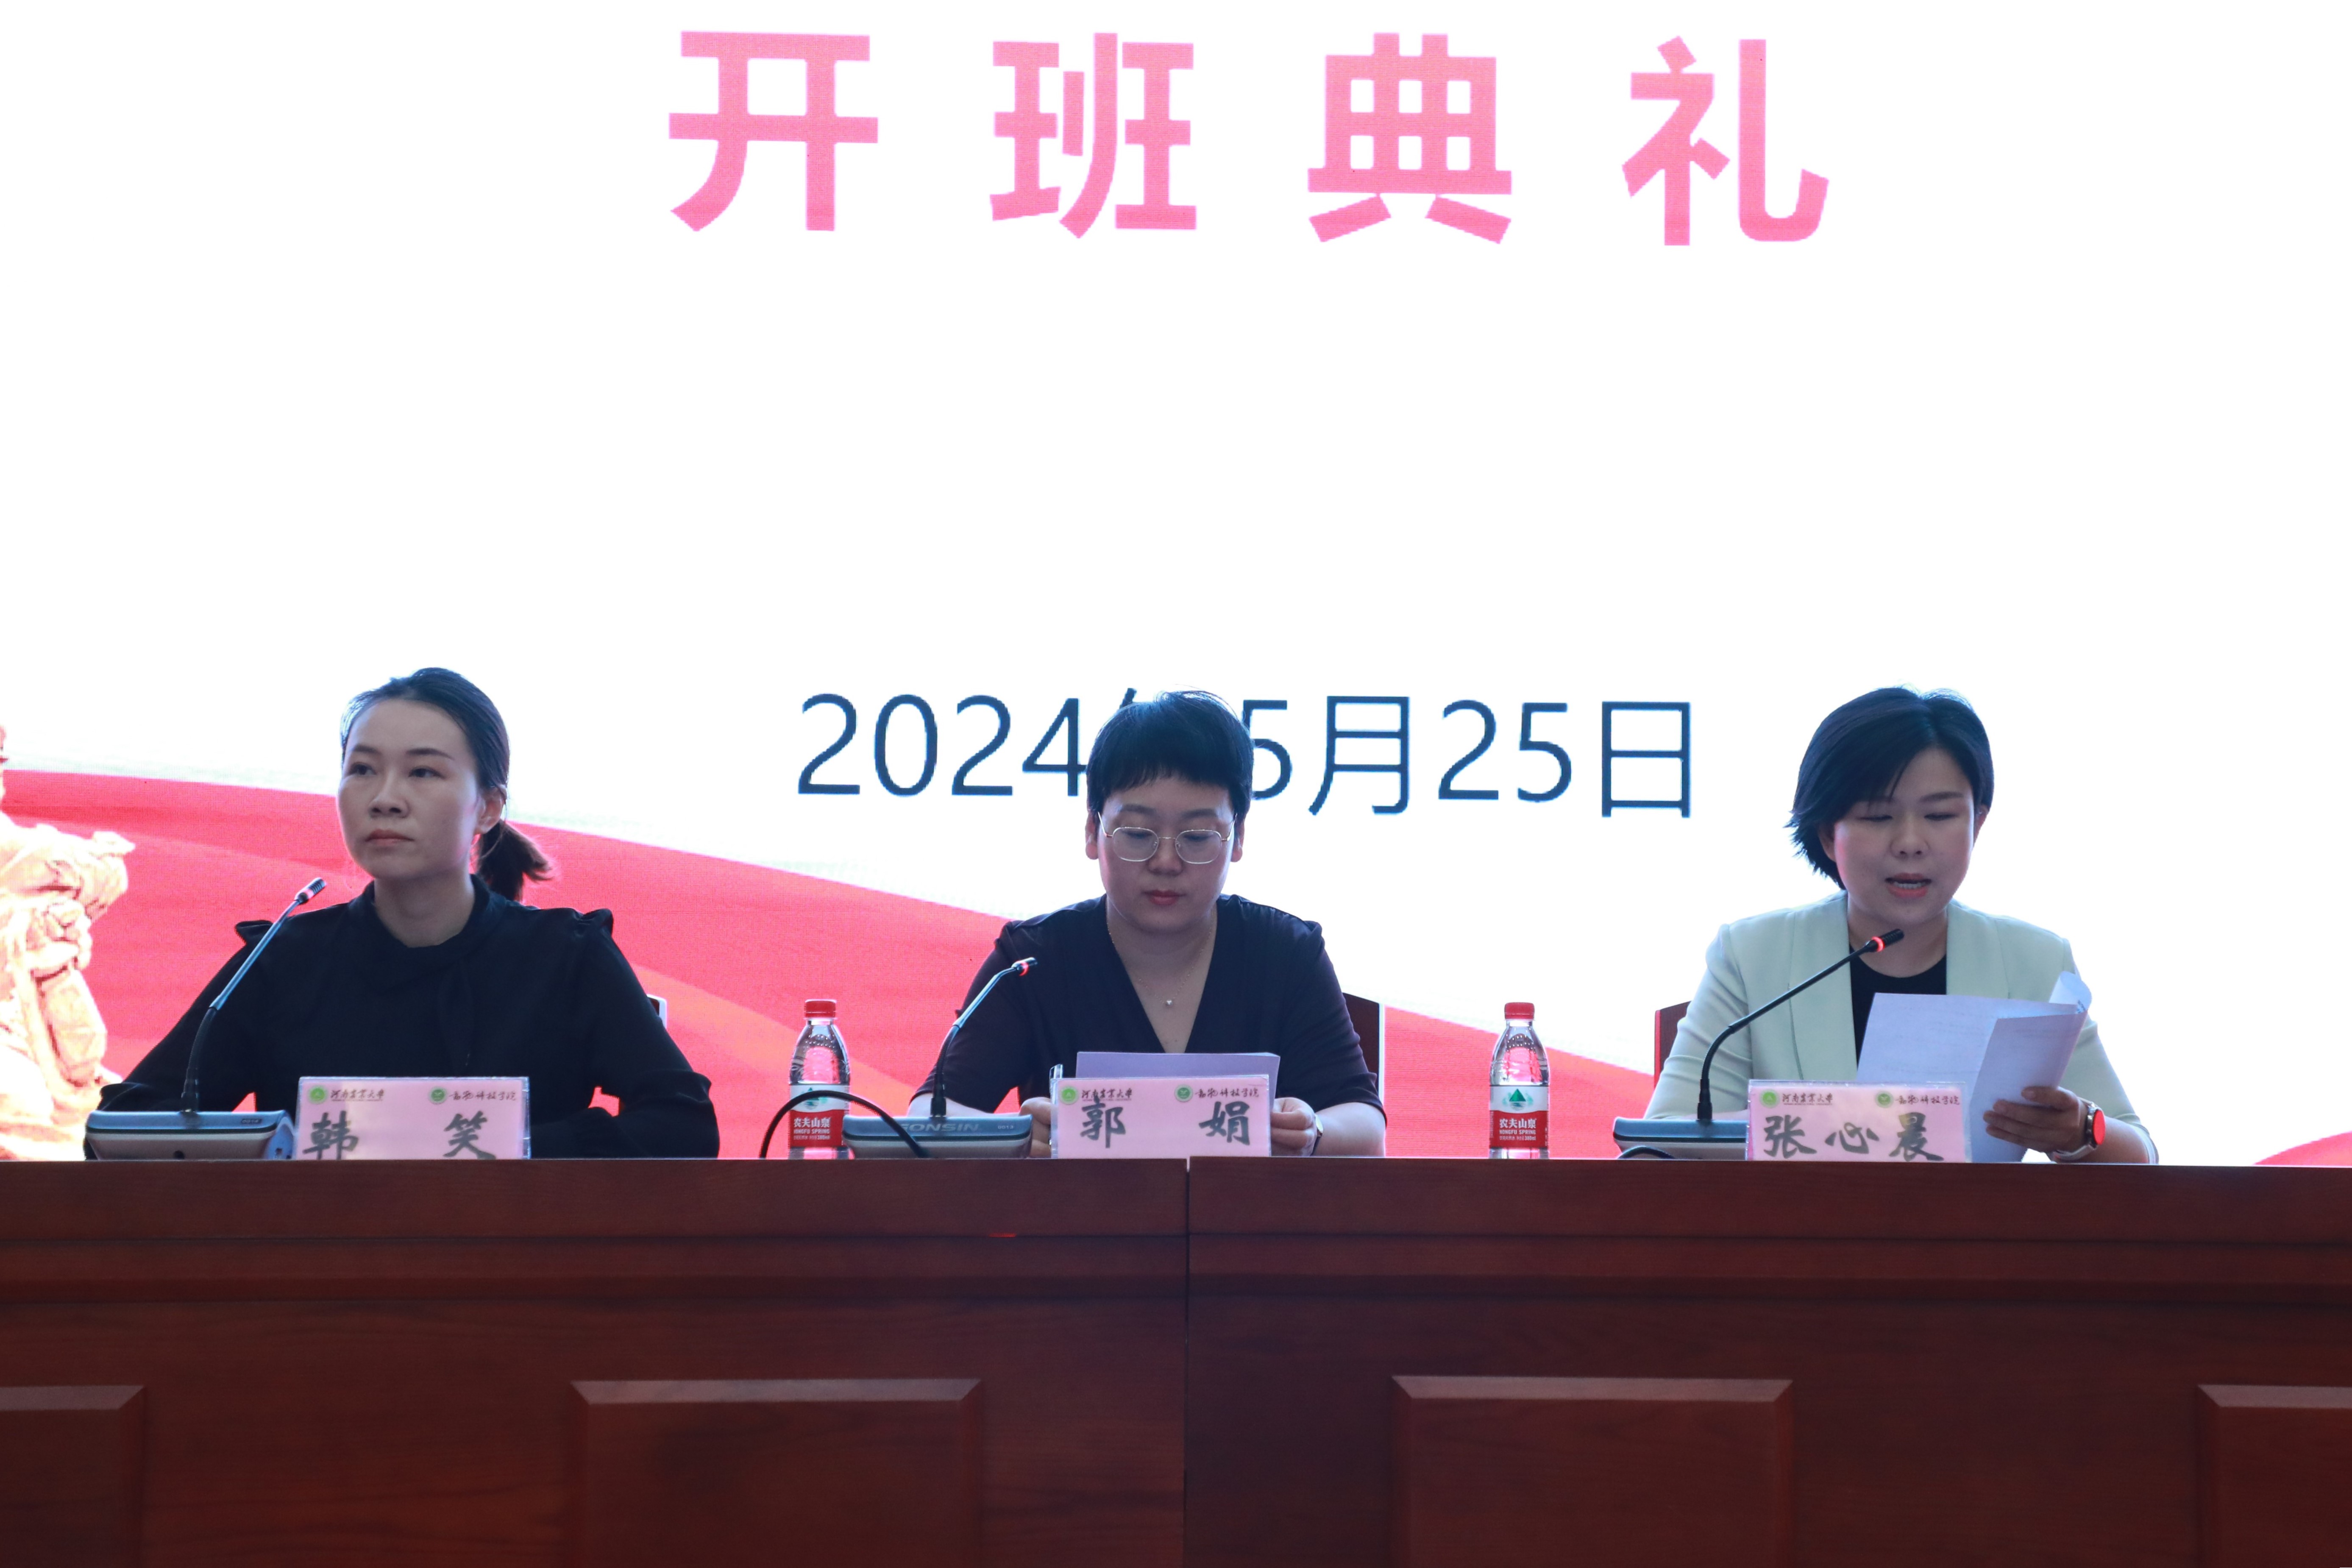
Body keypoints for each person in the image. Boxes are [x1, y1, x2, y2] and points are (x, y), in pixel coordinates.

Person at [107, 669, 719, 1158]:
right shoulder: (282, 962)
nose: (385, 798)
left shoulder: (564, 955)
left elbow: (683, 1124)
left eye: (423, 772)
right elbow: (129, 1122)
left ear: (488, 807)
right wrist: (277, 1155)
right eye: (362, 770)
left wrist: (510, 1150)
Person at [1646, 687, 2153, 1163]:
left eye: (1939, 816)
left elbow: (2139, 1152)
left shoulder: (2032, 960)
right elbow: (1659, 1140)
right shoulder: (1753, 955)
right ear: (1827, 834)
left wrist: (2081, 1129)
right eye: (1877, 817)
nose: (1910, 843)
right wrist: (1851, 1125)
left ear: (1976, 824)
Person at [917, 692, 1385, 1157]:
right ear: (1092, 832)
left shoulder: (1285, 954)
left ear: (1238, 837)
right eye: (1138, 834)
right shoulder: (1032, 961)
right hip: (1078, 1210)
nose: (1165, 861)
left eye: (1196, 836)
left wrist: (1312, 1130)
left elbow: (1364, 1126)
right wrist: (1017, 1139)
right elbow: (926, 1117)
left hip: (1244, 1210)